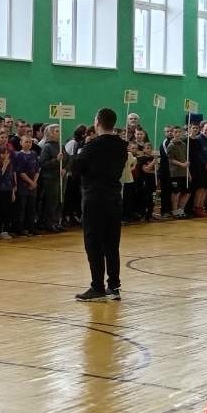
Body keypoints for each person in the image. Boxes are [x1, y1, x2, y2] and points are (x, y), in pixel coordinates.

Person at [71, 109, 129, 302]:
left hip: (95, 198)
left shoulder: (92, 146)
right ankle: (114, 285)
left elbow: (76, 171)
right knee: (112, 243)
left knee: (93, 243)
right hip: (114, 197)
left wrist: (75, 157)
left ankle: (97, 287)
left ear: (97, 122)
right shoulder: (122, 146)